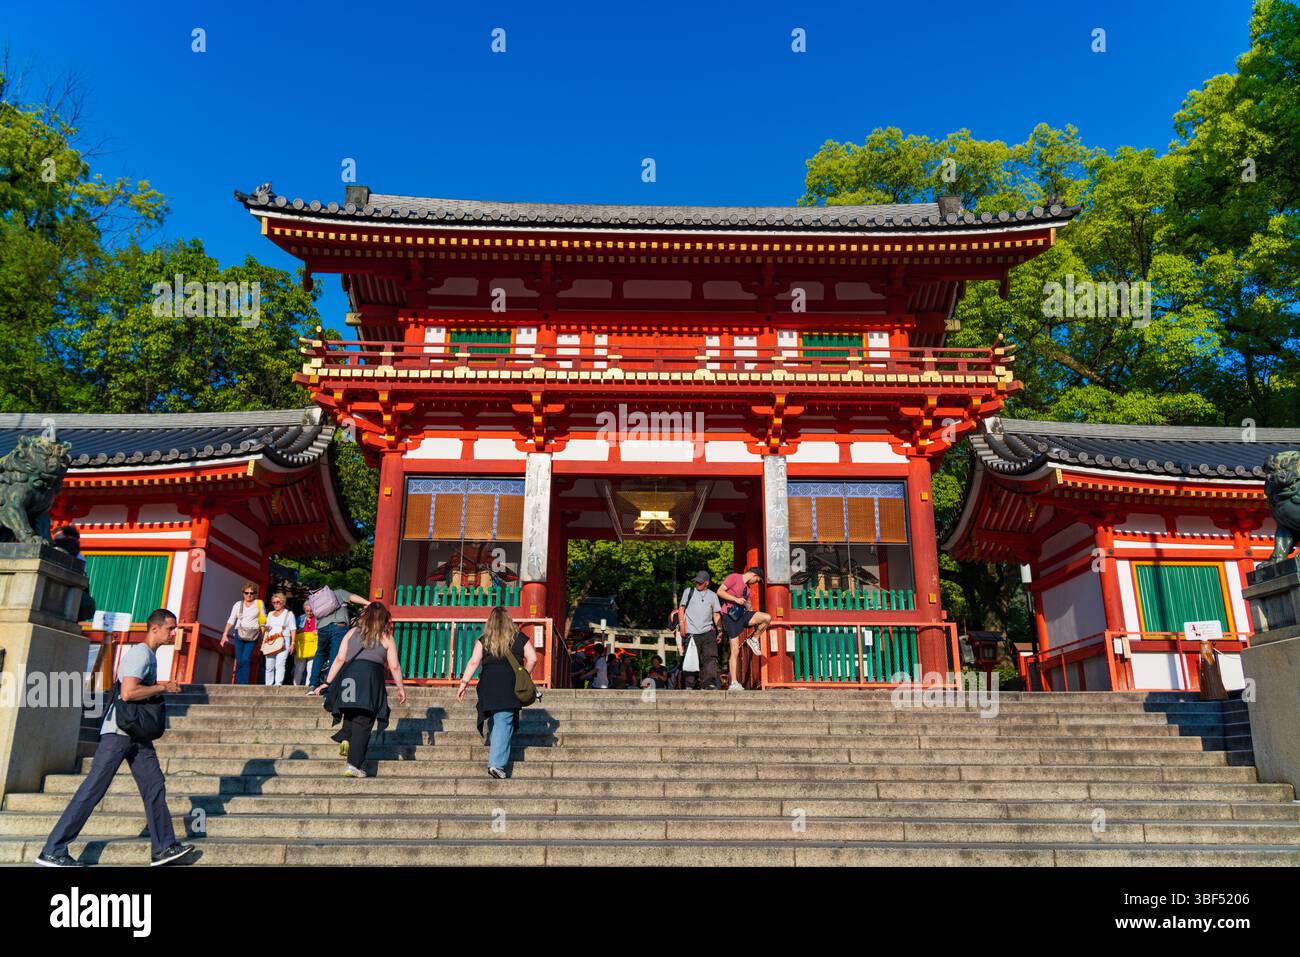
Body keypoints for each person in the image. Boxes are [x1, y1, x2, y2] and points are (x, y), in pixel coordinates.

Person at [36, 609, 196, 867]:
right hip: (119, 733)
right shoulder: (139, 654)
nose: (173, 633)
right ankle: (53, 850)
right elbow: (128, 693)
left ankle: (164, 848)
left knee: (154, 785)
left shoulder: (150, 656)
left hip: (136, 734)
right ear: (154, 628)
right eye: (170, 628)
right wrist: (163, 687)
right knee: (93, 789)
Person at [317, 602, 406, 778]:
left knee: (350, 711)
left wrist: (327, 682)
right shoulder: (386, 637)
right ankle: (353, 765)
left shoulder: (351, 633)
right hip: (370, 678)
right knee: (364, 721)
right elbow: (394, 666)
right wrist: (400, 687)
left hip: (349, 676)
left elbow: (339, 659)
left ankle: (346, 736)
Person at [456, 606, 537, 778]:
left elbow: (473, 662)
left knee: (496, 717)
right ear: (509, 620)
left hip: (488, 683)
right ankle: (496, 764)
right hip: (509, 682)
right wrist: (524, 674)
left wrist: (464, 683)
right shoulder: (519, 638)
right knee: (503, 720)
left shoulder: (484, 639)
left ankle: (497, 749)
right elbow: (533, 658)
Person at [308, 585, 370, 694]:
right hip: (339, 626)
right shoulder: (339, 592)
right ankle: (329, 687)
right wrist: (368, 603)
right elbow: (352, 597)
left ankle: (313, 685)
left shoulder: (314, 599)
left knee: (320, 654)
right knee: (335, 656)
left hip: (322, 628)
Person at [717, 566, 770, 690]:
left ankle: (754, 639)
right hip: (730, 616)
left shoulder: (748, 589)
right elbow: (719, 591)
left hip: (742, 614)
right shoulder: (734, 577)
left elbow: (747, 606)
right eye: (757, 580)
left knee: (766, 618)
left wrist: (748, 606)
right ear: (754, 575)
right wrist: (735, 599)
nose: (755, 583)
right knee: (735, 650)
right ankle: (734, 682)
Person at [677, 570, 722, 690]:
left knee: (710, 658)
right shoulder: (688, 592)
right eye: (696, 582)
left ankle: (709, 683)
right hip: (691, 631)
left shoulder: (713, 595)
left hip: (708, 631)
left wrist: (720, 630)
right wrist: (682, 625)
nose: (697, 584)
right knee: (691, 657)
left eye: (700, 582)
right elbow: (681, 609)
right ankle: (690, 684)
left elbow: (716, 614)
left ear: (707, 583)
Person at [220, 582, 265, 684]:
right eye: (246, 593)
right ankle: (238, 682)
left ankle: (243, 683)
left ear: (255, 594)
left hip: (253, 635)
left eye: (251, 593)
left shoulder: (259, 603)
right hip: (239, 633)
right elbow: (231, 619)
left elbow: (263, 621)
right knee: (239, 659)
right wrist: (225, 634)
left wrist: (262, 637)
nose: (249, 595)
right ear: (243, 593)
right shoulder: (238, 604)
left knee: (245, 658)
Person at [262, 591, 296, 686]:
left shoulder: (289, 614)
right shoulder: (270, 614)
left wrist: (293, 643)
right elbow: (268, 627)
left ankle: (278, 684)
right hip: (271, 641)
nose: (276, 604)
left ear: (283, 602)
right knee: (269, 665)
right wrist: (265, 628)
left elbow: (293, 629)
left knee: (280, 664)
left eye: (278, 602)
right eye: (274, 602)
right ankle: (268, 685)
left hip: (284, 640)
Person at [294, 609, 319, 686]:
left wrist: (318, 631)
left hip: (313, 646)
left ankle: (308, 685)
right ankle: (296, 686)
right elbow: (293, 631)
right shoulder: (300, 618)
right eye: (307, 611)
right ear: (304, 610)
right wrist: (299, 631)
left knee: (311, 668)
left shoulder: (318, 619)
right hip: (302, 646)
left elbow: (322, 631)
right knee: (299, 668)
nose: (309, 612)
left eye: (311, 611)